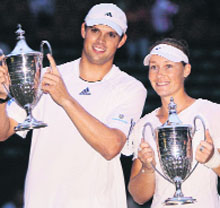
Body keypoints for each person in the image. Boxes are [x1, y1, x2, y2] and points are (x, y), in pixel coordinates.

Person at [0, 3, 147, 208]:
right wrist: (1, 97)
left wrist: (66, 99)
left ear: (121, 41)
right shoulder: (45, 75)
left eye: (111, 34)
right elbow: (3, 131)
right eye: (95, 30)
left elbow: (111, 146)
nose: (101, 40)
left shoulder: (130, 87)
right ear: (83, 30)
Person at [128, 38, 220, 208]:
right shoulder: (144, 124)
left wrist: (213, 159)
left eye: (168, 66)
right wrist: (147, 168)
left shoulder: (213, 112)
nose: (159, 74)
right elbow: (139, 197)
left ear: (186, 70)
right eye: (154, 67)